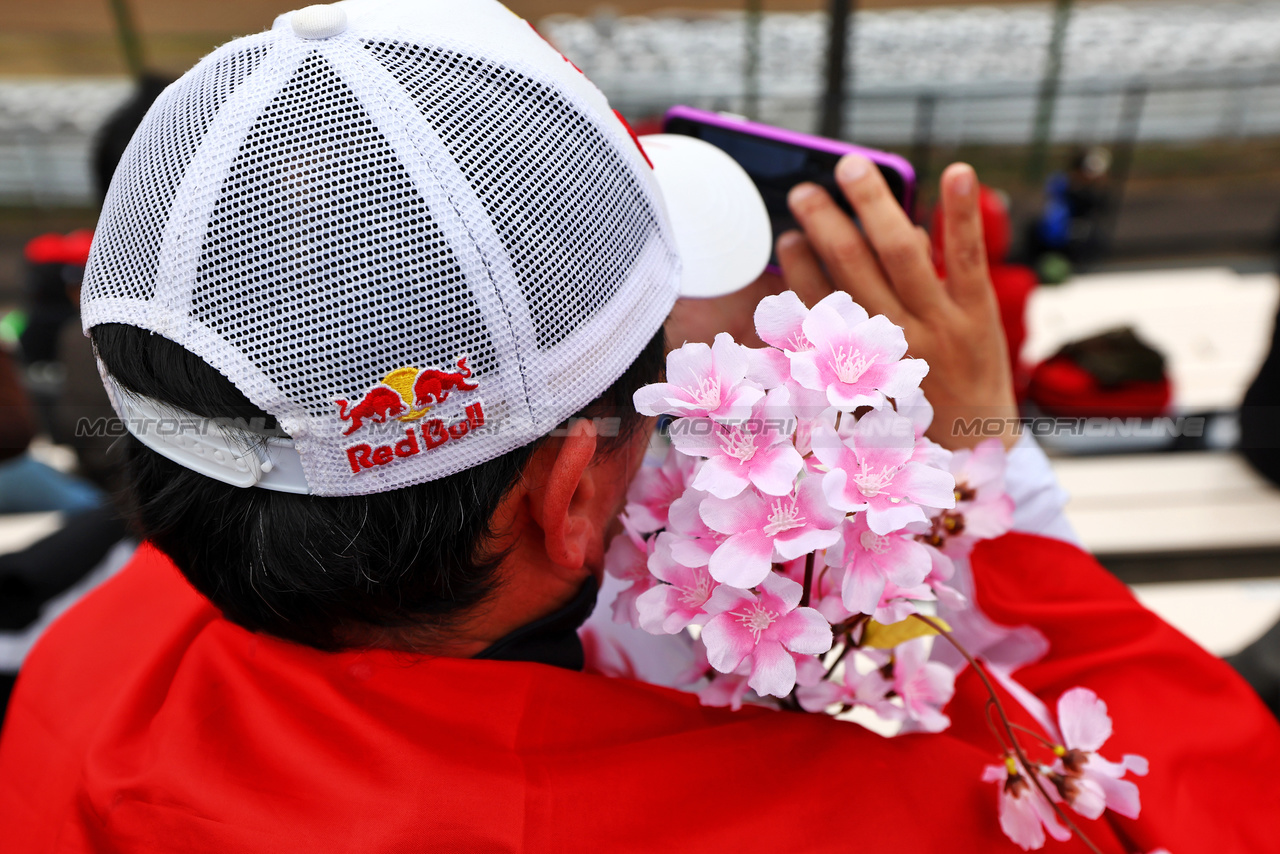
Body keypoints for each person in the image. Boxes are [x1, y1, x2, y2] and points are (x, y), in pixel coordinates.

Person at [1, 2, 1277, 852]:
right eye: (649, 377)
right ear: (565, 500)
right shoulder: (872, 816)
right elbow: (1206, 800)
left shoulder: (84, 665)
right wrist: (976, 461)